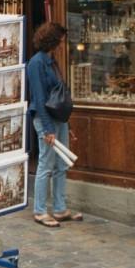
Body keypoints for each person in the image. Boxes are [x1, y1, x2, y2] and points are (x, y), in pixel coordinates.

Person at [26, 22, 81, 228]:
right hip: (45, 119)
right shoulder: (36, 63)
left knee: (61, 165)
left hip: (58, 118)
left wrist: (68, 123)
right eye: (60, 40)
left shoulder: (51, 61)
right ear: (52, 40)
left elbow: (59, 96)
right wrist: (48, 129)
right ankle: (40, 210)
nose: (62, 44)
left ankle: (59, 208)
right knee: (46, 164)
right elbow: (39, 99)